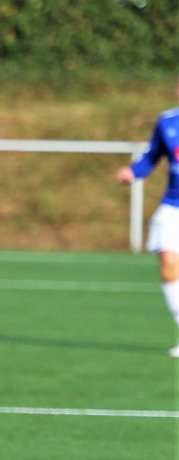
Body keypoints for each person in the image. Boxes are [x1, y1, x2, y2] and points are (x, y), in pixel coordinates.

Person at [116, 76, 179, 357]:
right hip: (173, 206)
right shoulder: (167, 122)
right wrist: (134, 171)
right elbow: (152, 157)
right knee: (169, 266)